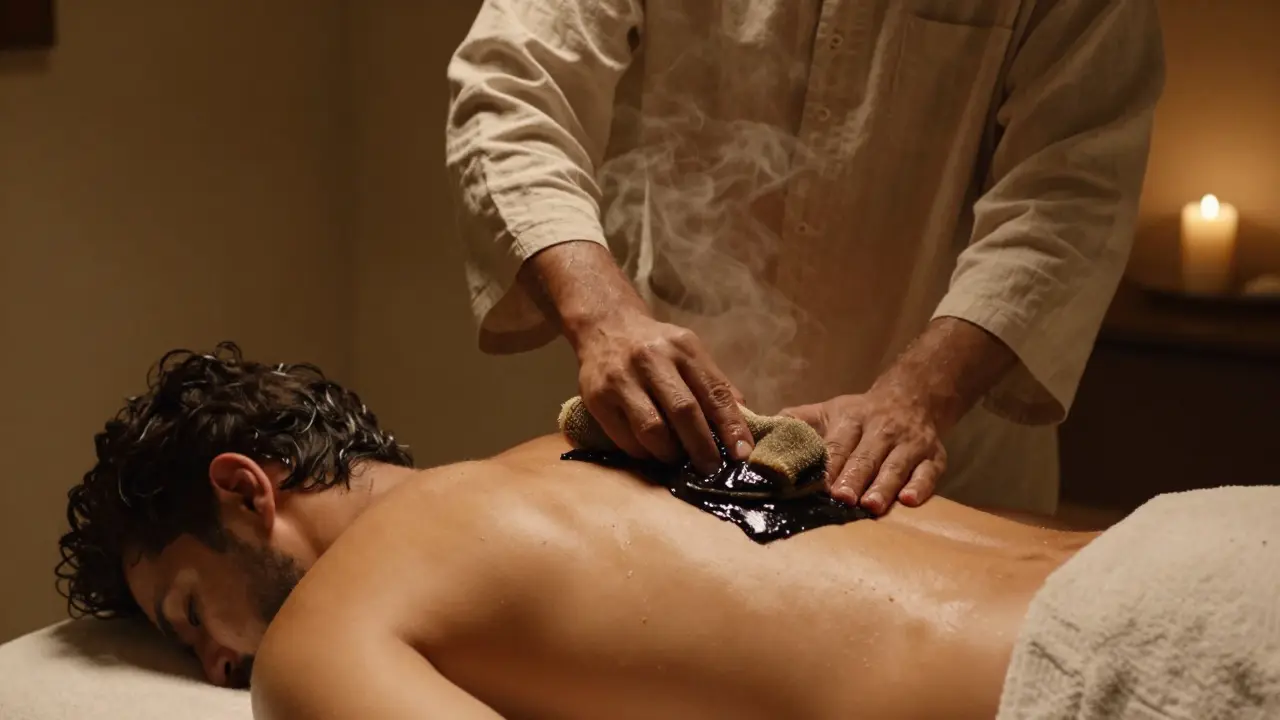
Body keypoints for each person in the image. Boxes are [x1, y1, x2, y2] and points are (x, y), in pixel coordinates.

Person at [58, 343, 1093, 716]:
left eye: (188, 611)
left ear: (246, 490)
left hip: (1099, 688)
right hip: (1184, 553)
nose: (209, 665)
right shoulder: (571, 455)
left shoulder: (323, 632)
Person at [445, 0, 1166, 517]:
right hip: (677, 446)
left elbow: (1068, 190)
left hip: (941, 467)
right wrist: (604, 317)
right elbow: (511, 91)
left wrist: (920, 397)